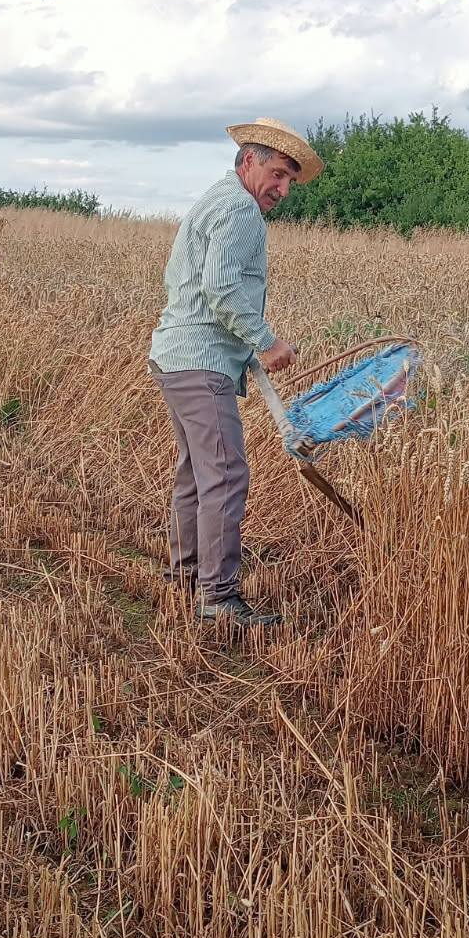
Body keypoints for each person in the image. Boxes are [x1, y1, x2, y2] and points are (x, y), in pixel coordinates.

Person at [149, 116, 324, 630]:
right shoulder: (240, 209)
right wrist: (266, 343)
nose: (284, 188)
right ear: (250, 162)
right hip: (200, 362)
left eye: (291, 179)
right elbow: (222, 288)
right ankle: (218, 597)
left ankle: (186, 575)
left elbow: (199, 285)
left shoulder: (216, 199)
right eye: (278, 174)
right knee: (225, 476)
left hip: (176, 356)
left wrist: (249, 350)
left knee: (196, 475)